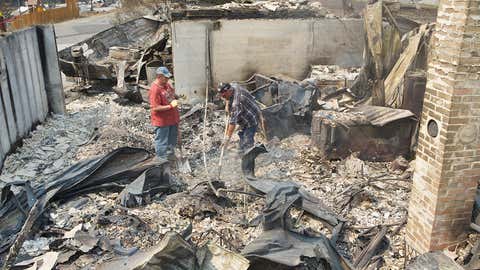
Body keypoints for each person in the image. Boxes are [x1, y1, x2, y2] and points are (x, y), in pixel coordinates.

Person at [218, 82, 261, 153]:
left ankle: (251, 156)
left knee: (248, 139)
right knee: (242, 135)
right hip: (246, 109)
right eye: (222, 96)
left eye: (224, 96)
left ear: (229, 91)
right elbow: (231, 86)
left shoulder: (236, 104)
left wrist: (227, 139)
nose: (223, 97)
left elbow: (232, 123)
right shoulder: (233, 86)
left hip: (251, 118)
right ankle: (242, 150)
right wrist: (227, 103)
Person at [149, 66, 180, 160]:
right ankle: (161, 160)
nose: (167, 79)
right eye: (165, 77)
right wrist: (170, 106)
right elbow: (155, 107)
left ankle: (170, 157)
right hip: (162, 121)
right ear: (159, 76)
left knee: (172, 139)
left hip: (172, 118)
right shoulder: (155, 90)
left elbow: (170, 94)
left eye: (168, 77)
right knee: (162, 141)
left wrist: (175, 96)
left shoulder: (166, 85)